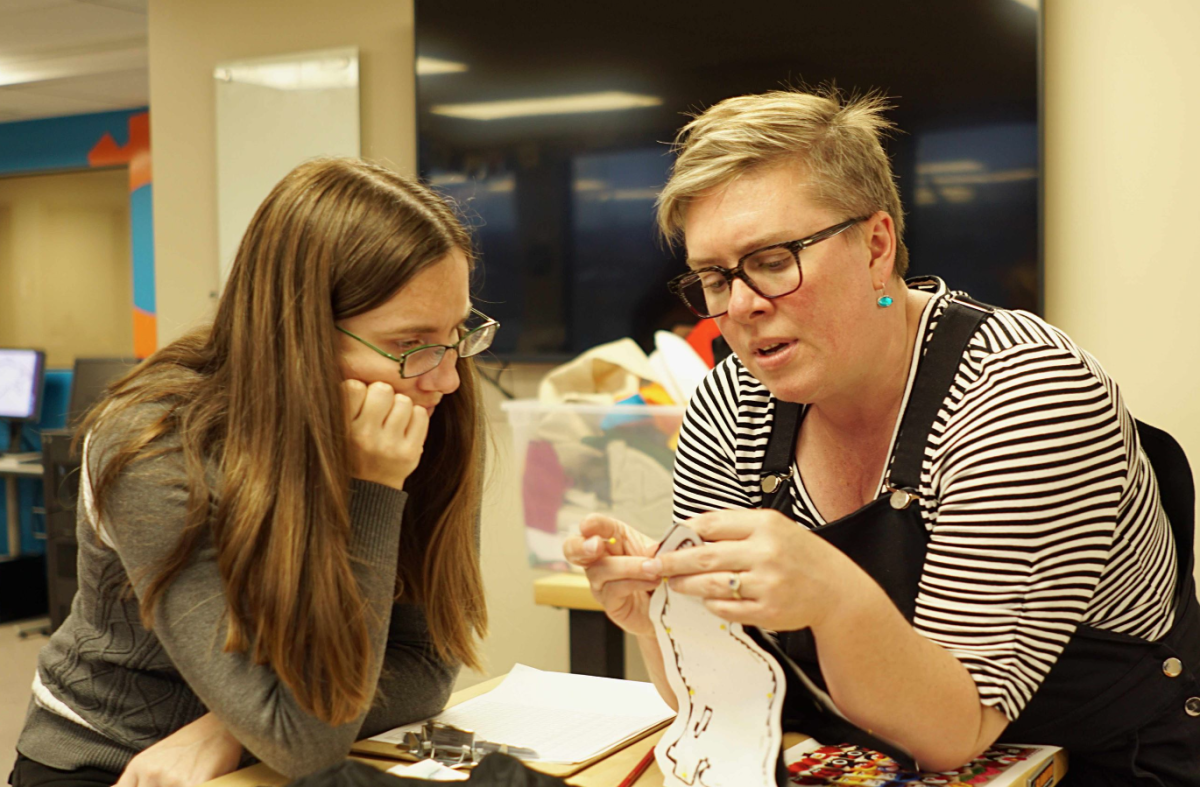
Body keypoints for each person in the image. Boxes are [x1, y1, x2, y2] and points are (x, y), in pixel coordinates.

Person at [565, 89, 1200, 785]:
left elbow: (955, 730)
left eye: (774, 259)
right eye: (716, 277)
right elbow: (735, 691)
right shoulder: (730, 405)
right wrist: (659, 618)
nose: (741, 306)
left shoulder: (1022, 389)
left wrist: (832, 592)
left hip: (1105, 762)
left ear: (876, 245)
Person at [12, 158, 497, 787]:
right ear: (299, 334)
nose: (448, 376)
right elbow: (305, 739)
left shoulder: (427, 403)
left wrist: (227, 729)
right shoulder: (154, 444)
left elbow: (424, 665)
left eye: (457, 332)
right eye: (409, 343)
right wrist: (373, 492)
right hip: (114, 760)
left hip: (277, 748)